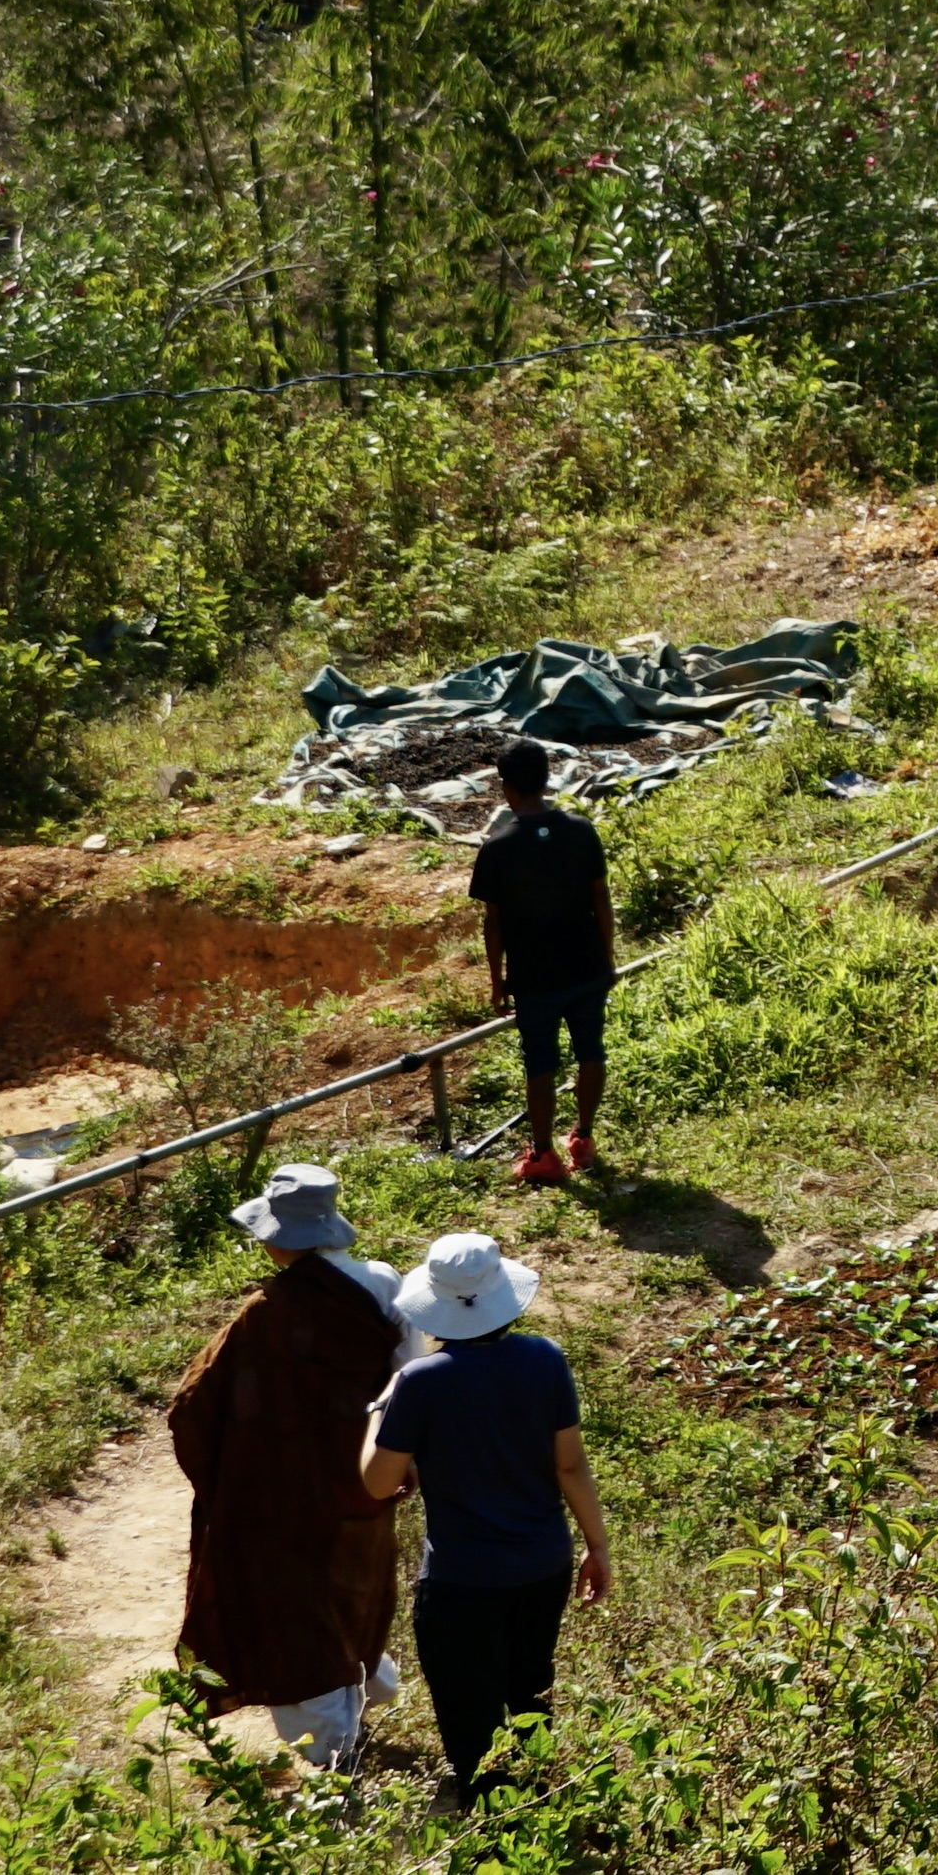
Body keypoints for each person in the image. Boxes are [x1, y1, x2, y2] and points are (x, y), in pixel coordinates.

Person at [164, 1163, 408, 1770]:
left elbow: (193, 1406)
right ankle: (367, 1688)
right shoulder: (382, 1286)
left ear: (277, 1237)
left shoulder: (260, 1315)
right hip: (363, 1483)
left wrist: (228, 1476)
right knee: (353, 1585)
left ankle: (333, 1754)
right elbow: (410, 1378)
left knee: (293, 1612)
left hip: (279, 1498)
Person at [359, 1230, 608, 1809]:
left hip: (461, 1580)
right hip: (543, 1566)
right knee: (529, 1690)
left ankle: (491, 1817)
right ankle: (536, 1807)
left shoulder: (421, 1381)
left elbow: (377, 1482)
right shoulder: (545, 1358)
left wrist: (381, 1407)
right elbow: (570, 1466)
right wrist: (598, 1548)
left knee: (470, 1712)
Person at [471, 740, 613, 1186]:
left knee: (540, 1064)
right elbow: (601, 899)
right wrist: (608, 957)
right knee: (591, 1051)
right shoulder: (581, 831)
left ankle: (544, 1155)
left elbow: (492, 925)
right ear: (546, 779)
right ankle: (584, 1139)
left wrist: (497, 982)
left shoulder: (497, 849)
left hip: (534, 978)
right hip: (587, 965)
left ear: (505, 786)